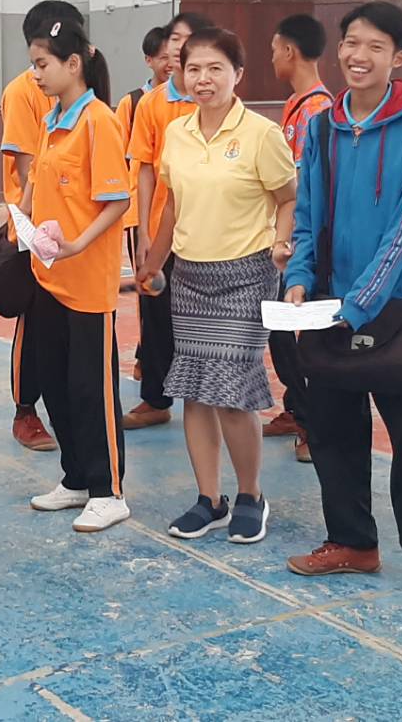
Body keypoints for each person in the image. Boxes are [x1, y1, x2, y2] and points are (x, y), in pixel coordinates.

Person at [281, 2, 402, 606]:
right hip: (328, 305)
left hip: (396, 308)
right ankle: (352, 542)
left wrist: (360, 302)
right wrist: (300, 280)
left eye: (375, 46)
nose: (359, 56)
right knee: (332, 432)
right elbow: (307, 214)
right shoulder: (323, 127)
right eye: (351, 43)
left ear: (398, 57)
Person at [135, 28, 296, 545]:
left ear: (237, 75)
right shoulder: (177, 133)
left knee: (231, 393)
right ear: (180, 74)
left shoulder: (261, 134)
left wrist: (282, 243)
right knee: (194, 392)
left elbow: (289, 197)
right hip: (190, 276)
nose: (203, 79)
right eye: (193, 69)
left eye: (214, 69)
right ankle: (210, 500)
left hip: (247, 274)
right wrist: (152, 262)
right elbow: (173, 206)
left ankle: (251, 495)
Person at [21, 19, 135, 533]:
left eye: (42, 63)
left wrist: (79, 245)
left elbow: (117, 200)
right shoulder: (52, 120)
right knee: (55, 384)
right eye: (33, 64)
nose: (35, 73)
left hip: (86, 281)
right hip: (47, 277)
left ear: (73, 64)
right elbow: (39, 184)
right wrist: (21, 218)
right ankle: (75, 478)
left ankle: (108, 491)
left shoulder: (98, 122)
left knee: (92, 389)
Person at [0, 0, 84, 453]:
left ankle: (69, 406)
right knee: (32, 322)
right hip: (33, 228)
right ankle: (25, 410)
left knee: (65, 329)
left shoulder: (82, 96)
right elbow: (28, 165)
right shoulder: (23, 92)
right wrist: (33, 227)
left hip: (71, 232)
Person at [125, 11, 217, 431]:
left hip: (206, 228)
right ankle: (156, 399)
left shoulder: (214, 100)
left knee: (204, 315)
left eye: (190, 40)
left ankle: (211, 396)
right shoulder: (152, 103)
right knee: (156, 312)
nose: (181, 47)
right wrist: (144, 230)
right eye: (176, 39)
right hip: (160, 228)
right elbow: (144, 168)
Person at [266, 13, 336, 463]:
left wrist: (292, 240)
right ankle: (297, 407)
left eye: (274, 50)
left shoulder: (317, 110)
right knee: (278, 330)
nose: (272, 58)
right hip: (291, 236)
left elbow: (304, 185)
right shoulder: (296, 103)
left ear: (290, 51)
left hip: (305, 241)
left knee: (294, 332)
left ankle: (314, 423)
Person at [115, 26, 173, 288]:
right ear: (148, 60)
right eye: (163, 58)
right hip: (142, 212)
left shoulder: (193, 102)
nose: (170, 64)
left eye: (174, 57)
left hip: (177, 212)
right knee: (151, 288)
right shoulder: (133, 102)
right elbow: (119, 157)